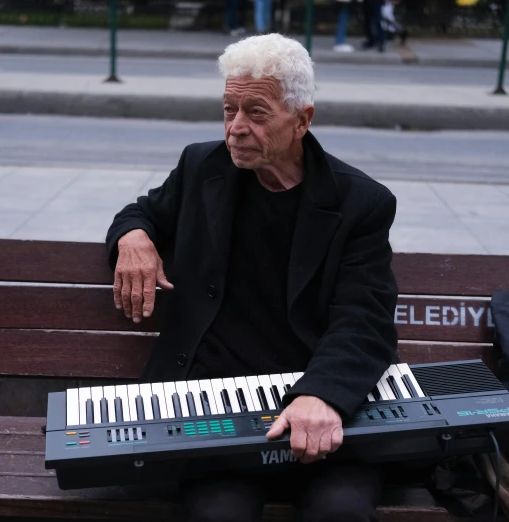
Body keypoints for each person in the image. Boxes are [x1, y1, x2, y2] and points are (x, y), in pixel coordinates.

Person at [106, 34, 398, 522]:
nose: (235, 129)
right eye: (228, 110)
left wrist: (321, 392)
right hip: (216, 409)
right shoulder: (203, 168)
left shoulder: (360, 204)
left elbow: (364, 319)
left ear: (302, 119)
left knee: (340, 512)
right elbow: (142, 212)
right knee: (218, 513)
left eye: (256, 113)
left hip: (318, 406)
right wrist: (133, 237)